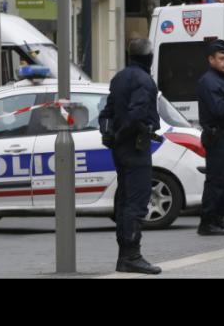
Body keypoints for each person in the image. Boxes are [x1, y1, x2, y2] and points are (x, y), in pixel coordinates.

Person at [99, 38, 162, 275]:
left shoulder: (120, 78)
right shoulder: (144, 81)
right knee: (135, 203)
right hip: (135, 147)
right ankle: (131, 256)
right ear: (149, 57)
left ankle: (125, 256)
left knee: (125, 201)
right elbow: (135, 116)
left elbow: (106, 112)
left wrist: (109, 135)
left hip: (121, 150)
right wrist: (120, 135)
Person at [195, 39, 224, 236]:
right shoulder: (209, 81)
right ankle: (207, 222)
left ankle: (220, 219)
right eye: (221, 58)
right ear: (211, 59)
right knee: (216, 181)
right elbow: (219, 109)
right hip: (217, 137)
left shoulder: (223, 80)